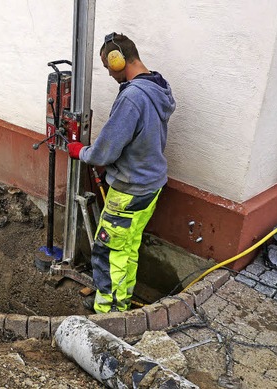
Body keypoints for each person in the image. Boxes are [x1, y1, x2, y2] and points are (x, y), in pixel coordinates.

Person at [67, 32, 176, 313]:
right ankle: (123, 300)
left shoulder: (133, 98)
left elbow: (106, 150)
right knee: (126, 248)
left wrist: (81, 151)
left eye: (107, 67)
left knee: (107, 250)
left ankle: (108, 313)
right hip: (150, 186)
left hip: (129, 190)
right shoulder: (157, 86)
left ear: (118, 61)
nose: (109, 74)